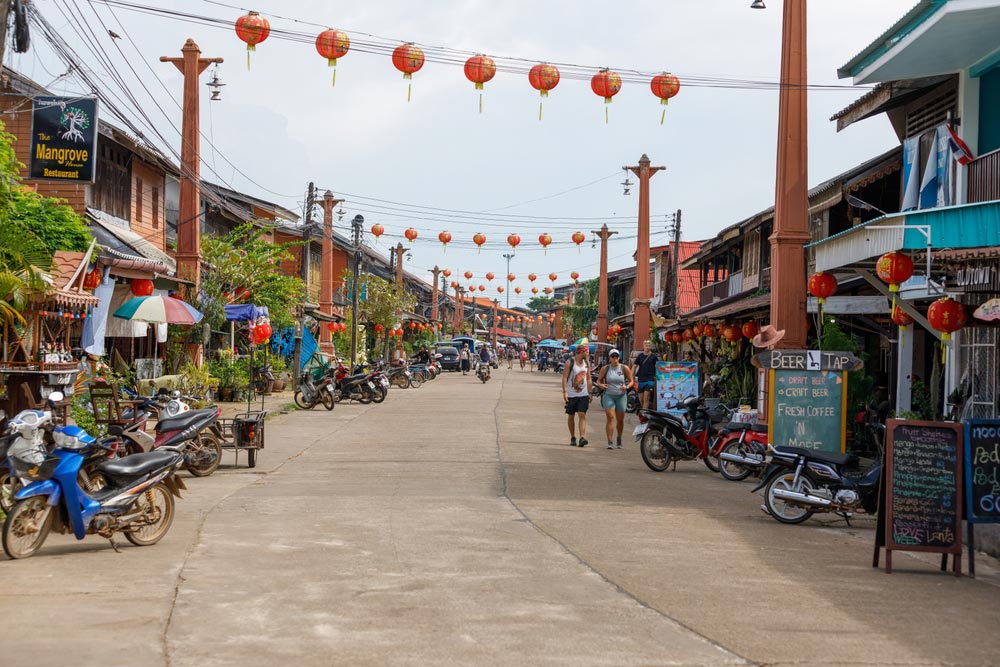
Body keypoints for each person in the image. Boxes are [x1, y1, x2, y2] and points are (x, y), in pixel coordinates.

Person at [595, 349, 634, 449]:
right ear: (610, 358)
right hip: (609, 395)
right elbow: (598, 381)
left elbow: (631, 381)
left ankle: (619, 438)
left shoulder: (624, 368)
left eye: (617, 356)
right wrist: (601, 385)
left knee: (620, 419)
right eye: (613, 356)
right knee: (610, 417)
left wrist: (627, 387)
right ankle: (610, 441)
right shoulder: (605, 368)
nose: (615, 358)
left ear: (619, 358)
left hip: (621, 396)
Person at [562, 345, 593, 447]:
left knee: (582, 414)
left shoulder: (587, 363)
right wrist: (565, 391)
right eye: (587, 352)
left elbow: (588, 378)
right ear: (581, 352)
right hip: (572, 394)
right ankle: (573, 437)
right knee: (571, 416)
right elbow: (565, 377)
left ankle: (582, 437)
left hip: (583, 394)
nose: (588, 354)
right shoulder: (570, 362)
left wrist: (590, 392)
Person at [632, 340, 659, 410]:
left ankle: (644, 415)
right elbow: (634, 367)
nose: (648, 347)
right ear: (643, 346)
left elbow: (658, 367)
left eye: (649, 346)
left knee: (646, 397)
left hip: (650, 380)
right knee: (641, 399)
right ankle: (645, 410)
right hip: (641, 379)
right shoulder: (640, 356)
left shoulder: (654, 357)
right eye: (646, 346)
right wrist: (631, 378)